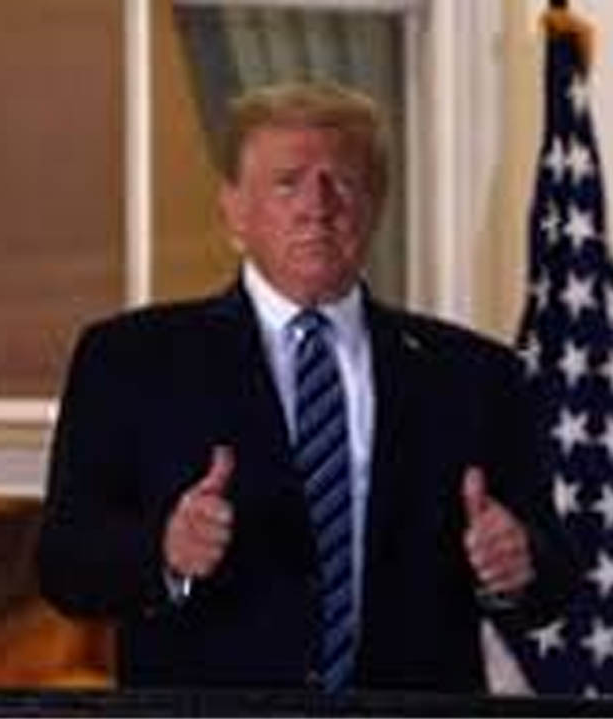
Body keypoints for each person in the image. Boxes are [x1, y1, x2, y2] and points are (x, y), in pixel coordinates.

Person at [37, 81, 578, 693]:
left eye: (340, 182)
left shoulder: (473, 375)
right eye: (287, 183)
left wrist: (515, 569)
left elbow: (554, 578)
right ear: (234, 210)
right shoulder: (132, 361)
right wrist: (163, 552)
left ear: (376, 204)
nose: (316, 208)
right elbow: (65, 565)